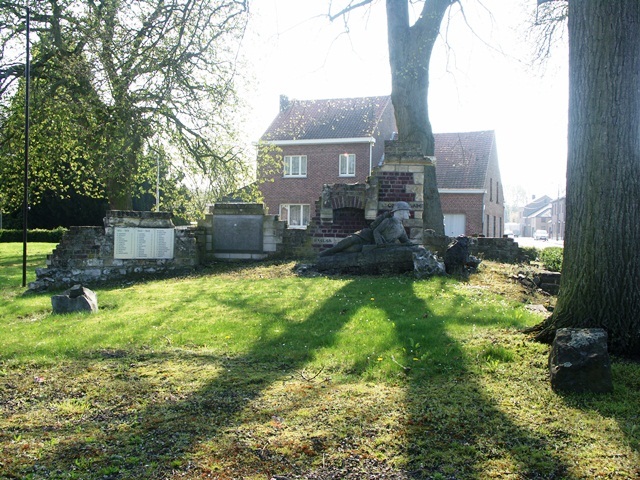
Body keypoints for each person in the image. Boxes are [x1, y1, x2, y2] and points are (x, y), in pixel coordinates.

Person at [319, 201, 412, 257]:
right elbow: (376, 231)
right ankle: (323, 254)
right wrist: (380, 244)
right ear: (400, 212)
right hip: (364, 236)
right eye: (407, 212)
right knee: (346, 242)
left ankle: (331, 257)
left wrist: (416, 247)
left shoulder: (401, 228)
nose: (409, 214)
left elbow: (406, 242)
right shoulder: (388, 221)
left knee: (350, 250)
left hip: (370, 245)